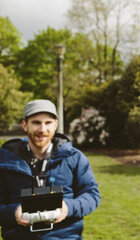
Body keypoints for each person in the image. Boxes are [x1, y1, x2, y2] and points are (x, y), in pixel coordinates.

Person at [0, 99, 101, 239]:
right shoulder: (5, 160)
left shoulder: (74, 157)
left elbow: (91, 194)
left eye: (48, 123)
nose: (42, 129)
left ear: (56, 125)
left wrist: (68, 208)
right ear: (24, 125)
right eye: (36, 122)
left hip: (64, 236)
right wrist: (13, 213)